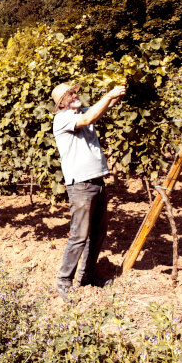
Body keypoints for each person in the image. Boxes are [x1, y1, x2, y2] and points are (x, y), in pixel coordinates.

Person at [51, 82, 126, 301]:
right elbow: (88, 119)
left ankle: (87, 277)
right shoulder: (63, 118)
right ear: (62, 103)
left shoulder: (82, 110)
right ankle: (64, 281)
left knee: (99, 233)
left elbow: (102, 107)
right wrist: (110, 94)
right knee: (79, 235)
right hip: (80, 185)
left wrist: (118, 92)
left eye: (74, 91)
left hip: (97, 181)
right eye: (70, 94)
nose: (75, 95)